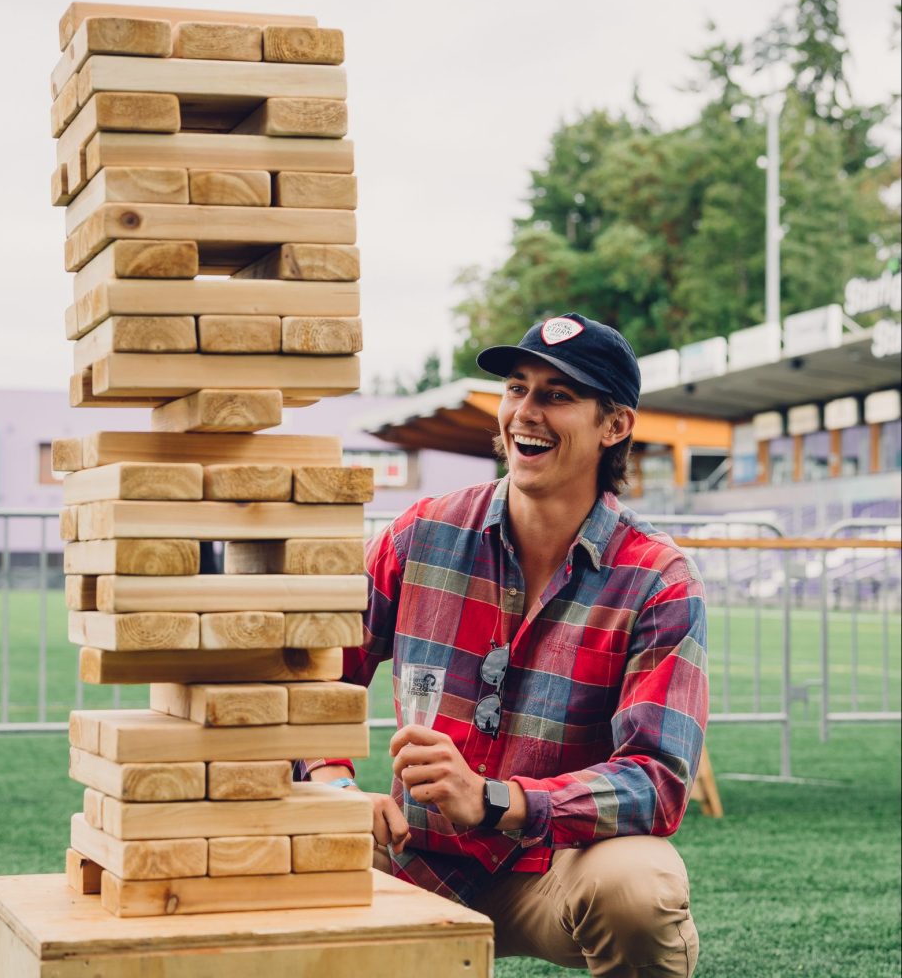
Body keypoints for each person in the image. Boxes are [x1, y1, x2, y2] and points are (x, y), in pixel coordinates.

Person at [303, 312, 708, 977]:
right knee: (273, 833)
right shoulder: (422, 533)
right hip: (411, 854)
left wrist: (498, 801)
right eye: (517, 388)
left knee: (639, 886)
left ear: (615, 426)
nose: (525, 412)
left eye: (557, 395)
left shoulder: (657, 579)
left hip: (554, 866)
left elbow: (657, 781)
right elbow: (318, 674)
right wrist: (331, 780)